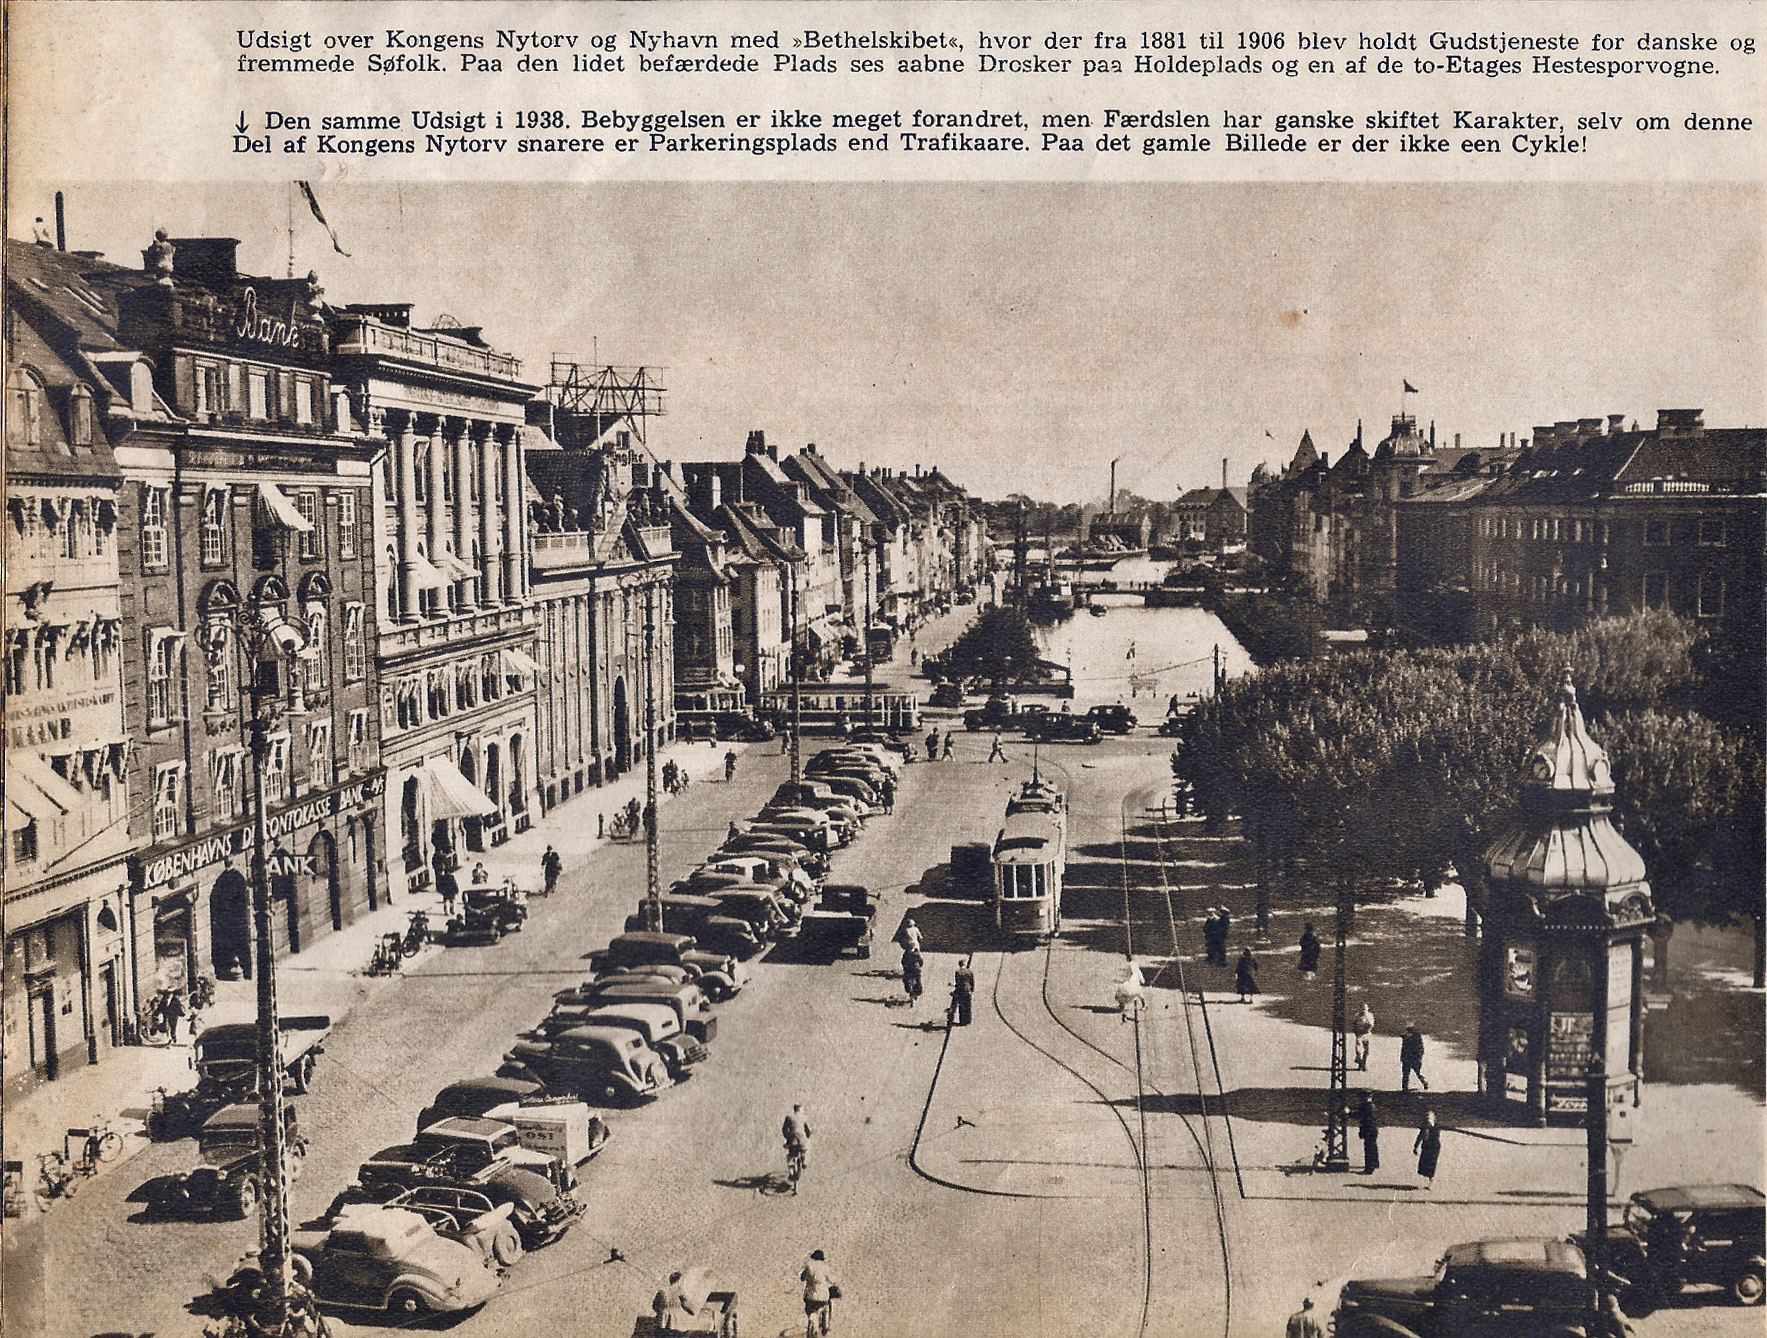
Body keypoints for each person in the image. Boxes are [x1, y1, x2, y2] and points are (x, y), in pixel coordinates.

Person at [800, 1250, 839, 1338]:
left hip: (810, 1295)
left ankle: (813, 1326)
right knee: (825, 1307)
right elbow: (833, 1280)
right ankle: (824, 1326)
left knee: (811, 1310)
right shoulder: (825, 1267)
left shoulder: (808, 1266)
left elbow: (802, 1278)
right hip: (822, 1295)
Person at [782, 1104, 812, 1192]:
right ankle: (804, 1160)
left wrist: (788, 1138)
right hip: (802, 1140)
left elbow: (784, 1130)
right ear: (801, 1110)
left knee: (790, 1156)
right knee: (805, 1148)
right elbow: (808, 1130)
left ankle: (791, 1172)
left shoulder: (789, 1117)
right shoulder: (804, 1117)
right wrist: (808, 1136)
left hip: (792, 1141)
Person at [1414, 1109, 1442, 1189]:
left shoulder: (1427, 1125)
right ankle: (1429, 1182)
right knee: (1429, 1164)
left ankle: (1429, 1182)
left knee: (1427, 1164)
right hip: (1434, 1147)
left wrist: (1416, 1147)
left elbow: (1422, 1136)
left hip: (1431, 1147)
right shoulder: (1436, 1125)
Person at [1400, 1025, 1429, 1092]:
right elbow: (1403, 1050)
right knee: (1405, 1074)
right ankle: (1404, 1087)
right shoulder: (1406, 1039)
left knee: (1417, 1073)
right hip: (1407, 1059)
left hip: (1414, 1059)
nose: (1406, 1033)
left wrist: (1418, 1057)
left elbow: (1420, 1050)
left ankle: (1424, 1082)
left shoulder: (1416, 1040)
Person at [1357, 1094, 1380, 1174]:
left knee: (1368, 1149)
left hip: (1368, 1130)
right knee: (1373, 1147)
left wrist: (1348, 1113)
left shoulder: (1366, 1107)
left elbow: (1359, 1115)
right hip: (1373, 1130)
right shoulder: (1372, 1106)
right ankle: (1374, 1164)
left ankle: (1369, 1168)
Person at [950, 957, 976, 1026]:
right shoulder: (970, 971)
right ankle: (968, 1020)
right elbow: (972, 981)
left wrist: (956, 990)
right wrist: (972, 990)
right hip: (968, 990)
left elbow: (958, 982)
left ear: (959, 965)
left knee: (962, 1006)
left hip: (961, 991)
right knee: (968, 1005)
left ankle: (962, 1021)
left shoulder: (958, 972)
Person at [1353, 1003, 1375, 1072]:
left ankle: (1364, 1064)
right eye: (1362, 1009)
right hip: (1359, 1034)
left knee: (1367, 1050)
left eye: (1365, 1009)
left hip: (1367, 1034)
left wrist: (1367, 1027)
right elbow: (1354, 1024)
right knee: (1358, 1050)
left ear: (1368, 1009)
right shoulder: (1357, 1016)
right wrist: (1356, 1031)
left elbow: (1371, 1025)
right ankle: (1359, 1061)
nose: (1364, 1010)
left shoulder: (1370, 1015)